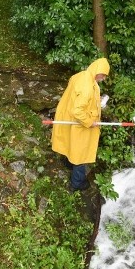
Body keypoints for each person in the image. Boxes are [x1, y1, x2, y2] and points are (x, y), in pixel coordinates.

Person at [51, 58, 110, 191]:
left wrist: (96, 101)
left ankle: (68, 163)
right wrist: (90, 122)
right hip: (79, 122)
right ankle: (76, 184)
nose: (104, 78)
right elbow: (78, 110)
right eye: (104, 75)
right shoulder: (88, 87)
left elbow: (78, 97)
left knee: (70, 142)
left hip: (68, 117)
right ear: (98, 71)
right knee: (81, 153)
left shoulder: (82, 75)